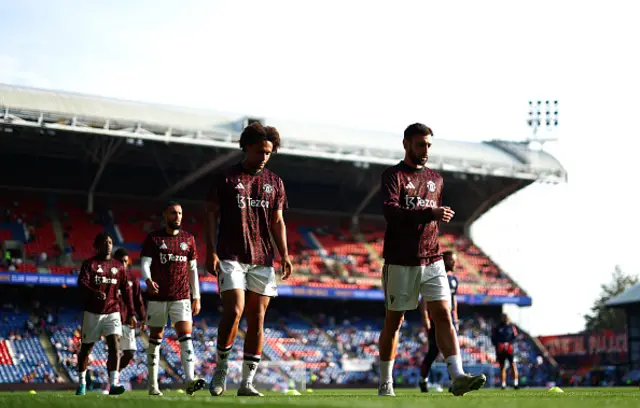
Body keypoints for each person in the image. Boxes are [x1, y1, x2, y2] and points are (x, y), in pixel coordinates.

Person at [376, 123, 486, 397]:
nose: (425, 150)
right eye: (420, 144)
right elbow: (391, 212)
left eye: (428, 145)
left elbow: (430, 216)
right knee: (395, 321)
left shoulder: (436, 179)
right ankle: (385, 382)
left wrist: (437, 215)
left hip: (433, 258)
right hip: (401, 261)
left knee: (443, 315)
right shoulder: (393, 176)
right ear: (406, 145)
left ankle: (457, 375)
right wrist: (431, 214)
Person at [205, 122, 293, 397]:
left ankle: (246, 382)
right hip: (231, 255)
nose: (264, 156)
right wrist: (210, 249)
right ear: (246, 148)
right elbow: (210, 214)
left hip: (263, 259)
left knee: (258, 318)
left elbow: (278, 221)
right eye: (259, 151)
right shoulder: (227, 178)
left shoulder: (275, 182)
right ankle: (220, 371)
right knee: (234, 310)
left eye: (268, 152)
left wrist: (285, 254)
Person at [141, 202, 204, 396]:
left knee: (186, 337)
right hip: (158, 297)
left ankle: (189, 380)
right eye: (173, 213)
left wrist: (197, 296)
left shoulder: (189, 239)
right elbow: (145, 263)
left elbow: (192, 270)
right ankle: (153, 386)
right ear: (165, 215)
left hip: (182, 296)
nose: (177, 216)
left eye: (179, 213)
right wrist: (148, 280)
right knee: (155, 340)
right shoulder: (154, 238)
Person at [75, 232, 136, 396]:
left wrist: (131, 312)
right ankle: (81, 383)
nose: (108, 245)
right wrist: (94, 292)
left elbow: (127, 290)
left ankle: (114, 383)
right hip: (92, 313)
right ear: (97, 246)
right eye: (104, 242)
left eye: (110, 242)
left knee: (115, 346)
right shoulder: (89, 264)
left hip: (112, 311)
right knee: (86, 349)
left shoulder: (119, 267)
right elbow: (81, 283)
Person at [418, 250, 459, 392]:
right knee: (434, 352)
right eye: (451, 259)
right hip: (436, 319)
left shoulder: (454, 279)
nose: (454, 262)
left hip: (450, 320)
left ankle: (455, 380)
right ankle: (423, 380)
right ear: (445, 260)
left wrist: (456, 318)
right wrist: (425, 317)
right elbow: (423, 298)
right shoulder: (436, 276)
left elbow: (454, 300)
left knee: (453, 350)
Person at [113, 248, 146, 383]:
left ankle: (114, 374)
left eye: (126, 261)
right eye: (121, 261)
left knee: (129, 353)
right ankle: (112, 381)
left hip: (127, 320)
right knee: (114, 351)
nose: (123, 264)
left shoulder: (132, 278)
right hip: (112, 319)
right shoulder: (109, 277)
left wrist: (143, 317)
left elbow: (138, 299)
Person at [492, 313, 520, 389]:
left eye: (506, 317)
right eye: (503, 317)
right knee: (502, 366)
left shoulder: (512, 326)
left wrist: (509, 344)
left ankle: (515, 383)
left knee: (513, 365)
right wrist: (499, 344)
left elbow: (515, 337)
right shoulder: (497, 327)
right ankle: (503, 384)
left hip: (510, 349)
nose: (505, 318)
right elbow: (493, 338)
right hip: (500, 349)